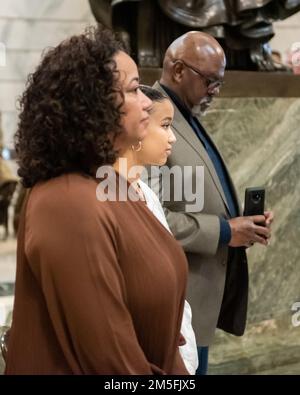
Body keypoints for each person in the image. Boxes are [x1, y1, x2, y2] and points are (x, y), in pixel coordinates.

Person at [5, 26, 189, 375]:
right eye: (135, 89)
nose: (149, 100)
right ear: (92, 104)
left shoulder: (109, 185)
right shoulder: (67, 201)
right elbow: (113, 365)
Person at [147, 31, 274, 374]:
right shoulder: (154, 121)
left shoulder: (187, 116)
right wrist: (222, 230)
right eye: (209, 80)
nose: (216, 90)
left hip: (202, 299)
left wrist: (244, 224)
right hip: (178, 304)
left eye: (220, 81)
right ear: (177, 70)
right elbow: (150, 219)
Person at [113, 85, 198, 374]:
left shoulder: (146, 193)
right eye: (165, 125)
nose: (172, 136)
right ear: (138, 126)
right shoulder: (110, 195)